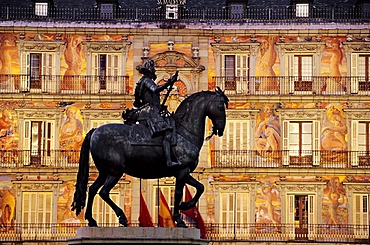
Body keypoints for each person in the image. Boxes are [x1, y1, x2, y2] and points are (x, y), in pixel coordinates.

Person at [134, 59, 179, 167]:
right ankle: (168, 161)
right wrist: (169, 82)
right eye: (153, 69)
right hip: (150, 112)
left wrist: (160, 106)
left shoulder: (142, 81)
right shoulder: (147, 80)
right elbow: (155, 89)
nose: (154, 71)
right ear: (150, 70)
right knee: (168, 132)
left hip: (148, 110)